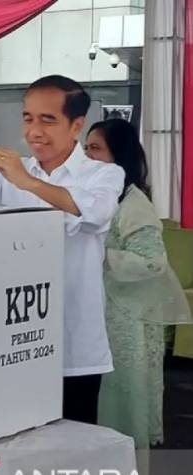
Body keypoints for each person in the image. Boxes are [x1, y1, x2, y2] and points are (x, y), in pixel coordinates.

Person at [0, 75, 126, 424]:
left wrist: (27, 181)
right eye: (28, 118)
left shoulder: (102, 175)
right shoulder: (5, 173)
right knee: (16, 437)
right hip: (12, 339)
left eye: (48, 120)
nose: (34, 131)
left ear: (76, 125)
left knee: (72, 445)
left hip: (72, 342)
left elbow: (92, 213)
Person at [85, 119, 192, 448]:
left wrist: (101, 255)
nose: (87, 157)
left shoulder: (134, 204)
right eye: (85, 148)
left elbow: (153, 263)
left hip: (126, 320)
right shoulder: (96, 197)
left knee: (120, 405)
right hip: (98, 313)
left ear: (120, 155)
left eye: (95, 149)